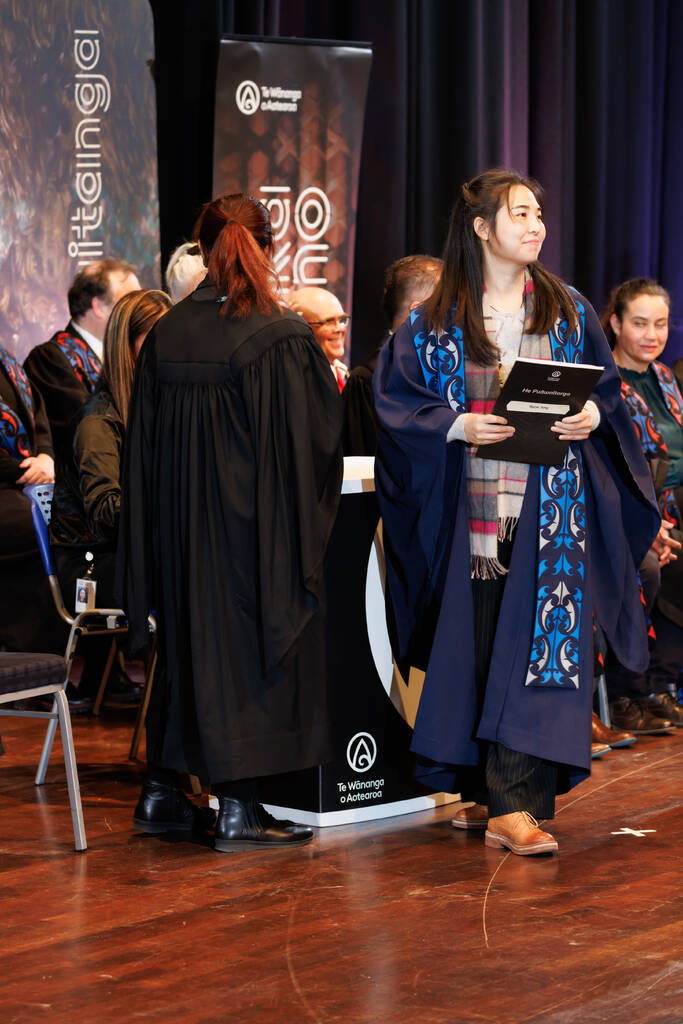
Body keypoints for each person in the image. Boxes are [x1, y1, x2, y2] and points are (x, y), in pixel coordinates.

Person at [373, 168, 660, 857]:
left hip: (550, 515)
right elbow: (397, 406)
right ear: (480, 229)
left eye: (537, 214)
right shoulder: (433, 323)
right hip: (469, 517)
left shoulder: (567, 311)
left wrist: (592, 416)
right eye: (519, 214)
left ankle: (512, 804)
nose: (536, 226)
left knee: (535, 654)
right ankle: (485, 793)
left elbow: (608, 396)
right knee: (476, 650)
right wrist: (456, 426)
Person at [117, 193, 343, 852]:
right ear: (267, 247)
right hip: (247, 541)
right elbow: (310, 447)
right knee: (244, 657)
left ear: (202, 245)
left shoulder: (166, 333)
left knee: (186, 653)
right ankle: (239, 810)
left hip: (178, 538)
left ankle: (162, 793)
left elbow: (143, 451)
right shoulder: (278, 335)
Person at [49, 289, 171, 712]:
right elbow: (106, 513)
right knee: (190, 574)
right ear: (128, 345)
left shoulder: (154, 412)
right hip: (89, 565)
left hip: (127, 555)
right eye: (157, 337)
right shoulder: (98, 422)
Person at [601, 278, 683, 731]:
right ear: (615, 324)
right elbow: (611, 467)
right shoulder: (603, 384)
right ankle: (627, 689)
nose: (652, 335)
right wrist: (650, 523)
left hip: (674, 503)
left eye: (661, 324)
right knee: (653, 566)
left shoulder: (666, 378)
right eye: (640, 323)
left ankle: (661, 683)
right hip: (631, 509)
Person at [24, 259, 140, 460]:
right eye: (130, 302)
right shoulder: (49, 359)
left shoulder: (130, 354)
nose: (138, 311)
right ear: (98, 307)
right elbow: (86, 428)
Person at [342, 254, 442, 455]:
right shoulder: (367, 380)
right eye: (449, 304)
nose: (460, 314)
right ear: (418, 311)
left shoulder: (449, 371)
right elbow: (360, 461)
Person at [0, 345, 66, 652]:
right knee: (40, 526)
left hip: (25, 482)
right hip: (8, 483)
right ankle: (28, 654)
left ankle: (63, 657)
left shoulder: (7, 360)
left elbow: (40, 420)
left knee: (74, 520)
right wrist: (24, 469)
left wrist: (47, 457)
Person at [288, 286, 350, 391]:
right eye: (329, 321)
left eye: (342, 320)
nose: (339, 329)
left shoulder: (343, 373)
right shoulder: (295, 384)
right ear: (301, 328)